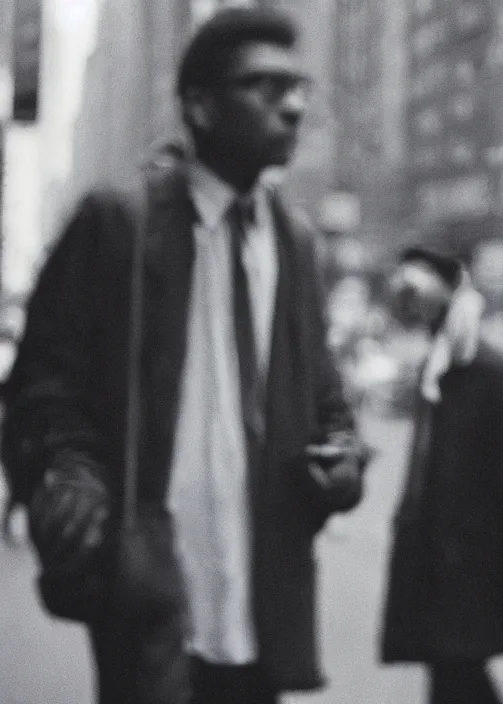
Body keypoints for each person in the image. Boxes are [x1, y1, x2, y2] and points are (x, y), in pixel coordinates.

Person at [1, 8, 367, 704]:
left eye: (298, 89)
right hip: (150, 593)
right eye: (263, 87)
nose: (292, 106)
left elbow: (324, 396)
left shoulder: (295, 242)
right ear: (199, 106)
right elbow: (45, 383)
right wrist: (71, 471)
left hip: (262, 595)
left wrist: (343, 457)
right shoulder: (118, 223)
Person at [380, 248, 503, 704]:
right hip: (433, 559)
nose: (411, 307)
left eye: (417, 293)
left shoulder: (492, 373)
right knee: (451, 677)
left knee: (458, 676)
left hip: (473, 564)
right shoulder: (436, 367)